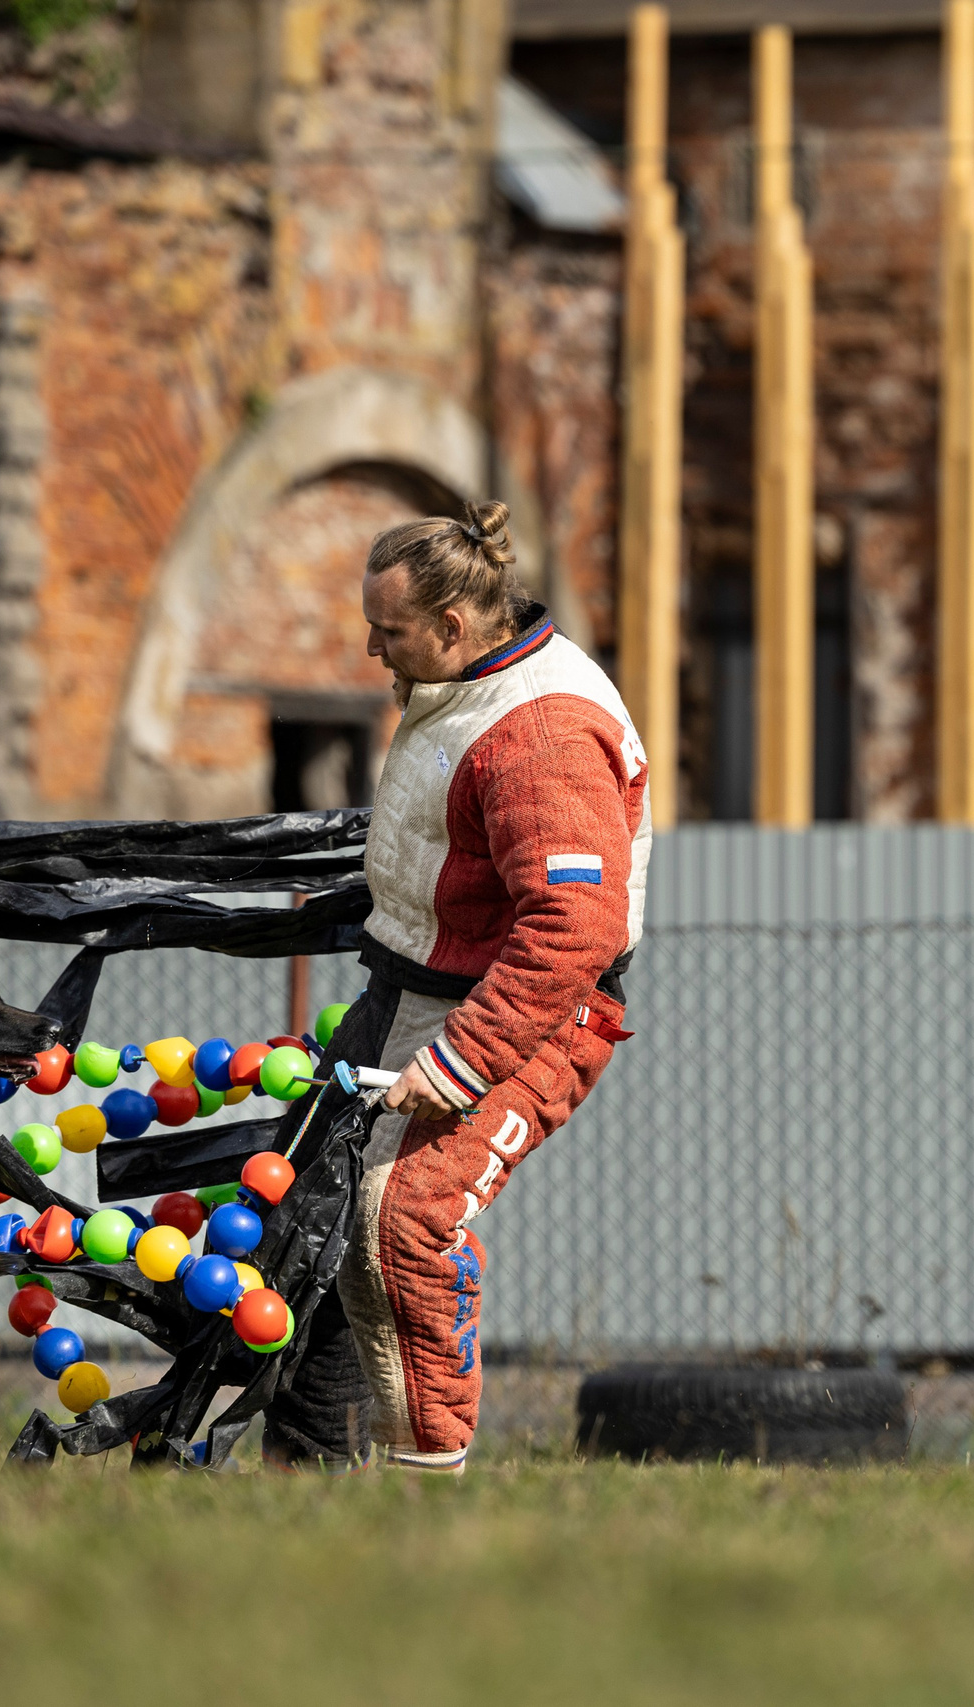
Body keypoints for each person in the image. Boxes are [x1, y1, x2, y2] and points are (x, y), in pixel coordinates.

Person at [263, 501, 649, 1471]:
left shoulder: (544, 733)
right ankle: (304, 1474)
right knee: (303, 1222)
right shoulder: (464, 682)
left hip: (527, 1012)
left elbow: (573, 927)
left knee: (404, 1215)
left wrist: (460, 1061)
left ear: (451, 627)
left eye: (387, 632)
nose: (368, 649)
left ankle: (422, 1479)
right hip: (409, 990)